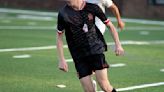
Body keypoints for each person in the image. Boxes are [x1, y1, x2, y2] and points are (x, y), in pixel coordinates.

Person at [56, 0, 124, 92]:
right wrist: (61, 59)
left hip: (96, 50)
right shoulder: (63, 13)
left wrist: (118, 44)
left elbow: (110, 25)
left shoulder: (92, 8)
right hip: (79, 56)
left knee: (105, 86)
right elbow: (59, 37)